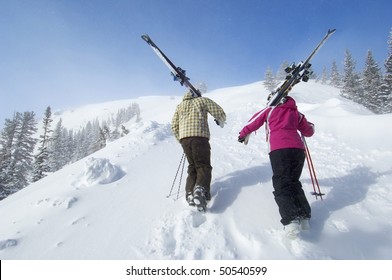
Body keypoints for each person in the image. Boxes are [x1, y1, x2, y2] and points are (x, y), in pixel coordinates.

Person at [238, 95, 314, 238]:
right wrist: (311, 127)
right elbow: (308, 131)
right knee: (294, 182)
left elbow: (254, 121)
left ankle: (291, 220)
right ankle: (304, 217)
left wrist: (243, 134)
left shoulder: (270, 109)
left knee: (281, 183)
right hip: (298, 150)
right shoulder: (296, 112)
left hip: (279, 149)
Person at [171, 90, 226, 211]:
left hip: (185, 140)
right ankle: (200, 191)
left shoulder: (180, 106)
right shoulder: (202, 100)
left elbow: (174, 125)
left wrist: (180, 139)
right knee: (203, 165)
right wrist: (221, 119)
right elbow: (217, 110)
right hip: (200, 138)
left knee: (192, 166)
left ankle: (190, 193)